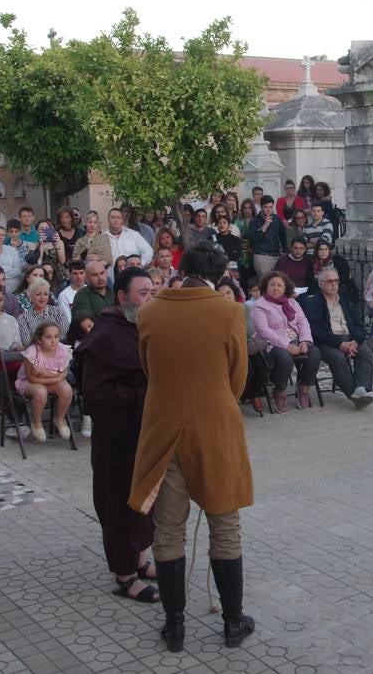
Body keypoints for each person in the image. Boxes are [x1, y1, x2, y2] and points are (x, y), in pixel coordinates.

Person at [129, 244, 255, 652]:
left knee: (168, 530)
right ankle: (233, 623)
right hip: (214, 428)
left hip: (164, 430)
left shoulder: (148, 312)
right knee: (224, 525)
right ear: (218, 276)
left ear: (182, 269)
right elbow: (237, 377)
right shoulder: (230, 312)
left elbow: (149, 370)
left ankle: (175, 626)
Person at [75, 266, 159, 600]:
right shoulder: (106, 335)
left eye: (152, 292)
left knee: (146, 500)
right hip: (117, 437)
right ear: (122, 297)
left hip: (145, 433)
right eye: (143, 294)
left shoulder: (145, 327)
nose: (149, 299)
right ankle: (125, 576)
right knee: (120, 503)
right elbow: (96, 394)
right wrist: (144, 396)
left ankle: (139, 559)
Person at [301, 268, 373, 409]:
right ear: (321, 284)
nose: (334, 284)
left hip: (349, 338)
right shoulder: (314, 302)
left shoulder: (344, 299)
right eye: (330, 281)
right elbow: (316, 330)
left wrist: (355, 341)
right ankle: (354, 395)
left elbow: (359, 324)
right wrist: (340, 344)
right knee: (337, 357)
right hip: (327, 342)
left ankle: (362, 389)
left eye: (336, 281)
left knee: (365, 351)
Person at [251, 271, 321, 413]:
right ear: (266, 286)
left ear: (285, 288)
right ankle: (280, 390)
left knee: (314, 353)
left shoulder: (292, 302)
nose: (275, 288)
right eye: (272, 285)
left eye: (279, 285)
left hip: (295, 339)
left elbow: (303, 322)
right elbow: (264, 331)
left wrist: (305, 341)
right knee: (285, 358)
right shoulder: (259, 306)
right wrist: (287, 345)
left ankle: (304, 387)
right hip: (272, 343)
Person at [17, 321, 74, 443]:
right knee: (41, 391)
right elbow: (32, 379)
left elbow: (62, 374)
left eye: (56, 336)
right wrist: (56, 378)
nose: (53, 340)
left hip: (51, 381)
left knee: (66, 389)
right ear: (39, 339)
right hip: (28, 383)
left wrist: (44, 374)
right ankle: (36, 423)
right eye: (48, 337)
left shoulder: (62, 350)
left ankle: (59, 419)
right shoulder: (32, 352)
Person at [17, 279, 69, 347]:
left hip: (58, 349)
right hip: (35, 354)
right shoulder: (23, 319)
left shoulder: (58, 312)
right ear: (30, 296)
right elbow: (26, 343)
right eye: (38, 294)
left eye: (45, 294)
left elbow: (63, 335)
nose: (42, 297)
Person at [246, 198, 286, 281]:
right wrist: (265, 225)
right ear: (261, 207)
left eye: (271, 207)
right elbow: (253, 240)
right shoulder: (254, 221)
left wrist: (285, 252)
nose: (269, 209)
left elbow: (283, 236)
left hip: (276, 256)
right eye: (266, 207)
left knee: (278, 282)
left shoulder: (276, 219)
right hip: (262, 256)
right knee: (265, 284)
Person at [70, 258, 113, 322]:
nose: (100, 278)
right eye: (95, 275)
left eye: (102, 273)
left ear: (106, 273)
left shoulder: (114, 293)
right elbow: (87, 326)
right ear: (86, 278)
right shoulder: (81, 296)